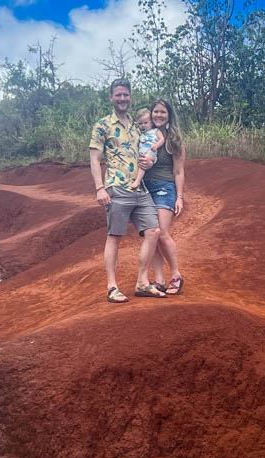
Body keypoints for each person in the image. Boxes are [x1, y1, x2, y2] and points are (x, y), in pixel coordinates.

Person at [89, 79, 165, 303]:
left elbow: (144, 150)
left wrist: (149, 164)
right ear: (111, 97)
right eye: (118, 95)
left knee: (153, 232)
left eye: (126, 95)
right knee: (115, 236)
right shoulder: (102, 125)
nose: (123, 99)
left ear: (130, 97)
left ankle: (142, 282)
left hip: (140, 188)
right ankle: (112, 286)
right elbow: (94, 158)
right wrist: (100, 188)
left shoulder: (136, 125)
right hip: (117, 187)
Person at [143, 98, 186, 296]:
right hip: (144, 189)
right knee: (151, 234)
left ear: (169, 116)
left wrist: (179, 197)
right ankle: (159, 279)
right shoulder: (145, 136)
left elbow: (179, 171)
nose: (158, 115)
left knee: (161, 232)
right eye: (155, 111)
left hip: (164, 188)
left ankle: (176, 274)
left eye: (163, 112)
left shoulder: (174, 141)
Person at [129, 108, 165, 190]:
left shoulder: (155, 131)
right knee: (139, 162)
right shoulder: (141, 133)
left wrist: (156, 145)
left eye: (146, 123)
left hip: (151, 154)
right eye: (140, 123)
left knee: (144, 161)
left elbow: (162, 139)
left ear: (151, 123)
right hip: (142, 153)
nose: (143, 125)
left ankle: (137, 181)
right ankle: (138, 181)